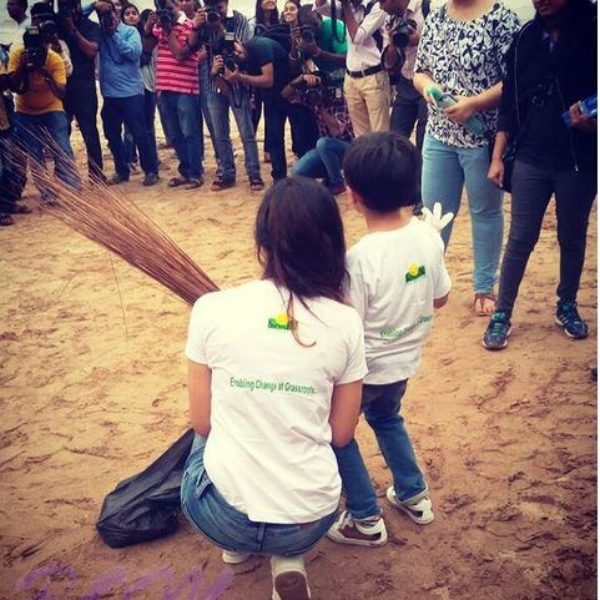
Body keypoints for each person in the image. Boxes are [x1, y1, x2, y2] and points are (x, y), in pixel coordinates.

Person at [182, 176, 367, 600]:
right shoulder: (345, 323)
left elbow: (203, 421)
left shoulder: (211, 308)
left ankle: (235, 546)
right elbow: (341, 434)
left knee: (202, 434)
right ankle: (287, 558)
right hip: (310, 518)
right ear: (332, 244)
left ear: (261, 243)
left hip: (220, 514)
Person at [325, 133, 451, 546]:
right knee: (387, 418)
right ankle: (414, 495)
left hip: (364, 371)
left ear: (353, 195)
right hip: (403, 365)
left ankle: (364, 516)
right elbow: (442, 297)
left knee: (337, 435)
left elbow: (347, 325)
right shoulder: (429, 238)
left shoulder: (358, 259)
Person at [482, 0, 597, 350]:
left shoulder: (592, 32)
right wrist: (498, 156)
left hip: (578, 160)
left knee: (572, 237)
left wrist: (592, 120)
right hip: (531, 155)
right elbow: (510, 103)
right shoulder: (526, 39)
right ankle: (502, 313)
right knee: (520, 238)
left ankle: (566, 304)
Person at [413, 0, 520, 316]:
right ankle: (429, 284)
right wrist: (430, 88)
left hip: (484, 139)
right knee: (434, 214)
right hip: (439, 136)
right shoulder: (436, 18)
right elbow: (420, 72)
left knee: (485, 212)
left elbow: (514, 81)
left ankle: (484, 286)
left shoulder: (502, 19)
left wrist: (474, 103)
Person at [189, 0, 264, 192]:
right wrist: (195, 27)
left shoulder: (238, 19)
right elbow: (189, 48)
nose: (215, 11)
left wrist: (219, 26)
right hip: (214, 82)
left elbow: (243, 53)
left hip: (237, 80)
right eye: (211, 6)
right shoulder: (203, 22)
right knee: (220, 133)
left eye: (219, 5)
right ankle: (227, 174)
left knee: (246, 131)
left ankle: (254, 173)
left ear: (226, 2)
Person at [8, 19, 79, 201]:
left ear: (46, 45)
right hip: (25, 111)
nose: (34, 52)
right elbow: (14, 86)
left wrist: (47, 76)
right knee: (35, 154)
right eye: (30, 47)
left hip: (52, 107)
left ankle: (71, 188)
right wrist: (23, 67)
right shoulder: (18, 54)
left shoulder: (54, 58)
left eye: (38, 48)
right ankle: (48, 194)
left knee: (62, 148)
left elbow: (61, 92)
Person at [94, 0, 159, 186]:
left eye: (111, 14)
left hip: (131, 93)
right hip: (109, 94)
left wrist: (113, 34)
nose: (108, 19)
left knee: (140, 133)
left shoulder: (130, 32)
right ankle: (122, 170)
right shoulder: (99, 33)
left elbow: (133, 53)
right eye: (105, 16)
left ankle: (151, 171)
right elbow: (78, 16)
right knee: (111, 133)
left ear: (117, 14)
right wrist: (94, 5)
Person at [314, 0, 390, 136]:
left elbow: (357, 36)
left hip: (373, 76)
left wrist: (345, 6)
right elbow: (319, 7)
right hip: (351, 78)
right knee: (360, 135)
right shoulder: (348, 7)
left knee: (380, 134)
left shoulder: (377, 7)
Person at [151, 0, 204, 189]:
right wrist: (150, 23)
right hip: (165, 86)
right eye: (164, 10)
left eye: (170, 8)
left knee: (190, 132)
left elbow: (179, 54)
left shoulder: (189, 26)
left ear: (178, 6)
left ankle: (196, 173)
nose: (167, 13)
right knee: (174, 134)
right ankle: (185, 170)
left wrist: (167, 30)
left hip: (185, 87)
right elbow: (147, 44)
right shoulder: (160, 26)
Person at [288, 70, 354, 195]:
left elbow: (336, 131)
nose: (316, 93)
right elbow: (286, 95)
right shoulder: (311, 99)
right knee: (297, 171)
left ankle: (337, 183)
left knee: (323, 143)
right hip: (325, 152)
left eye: (320, 89)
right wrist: (300, 79)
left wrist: (321, 107)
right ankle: (328, 177)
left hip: (348, 149)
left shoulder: (339, 100)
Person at [381, 0, 427, 152]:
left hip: (428, 84)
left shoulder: (427, 9)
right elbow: (389, 63)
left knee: (424, 142)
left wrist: (420, 41)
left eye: (382, 1)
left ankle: (421, 175)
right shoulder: (391, 20)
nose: (381, 7)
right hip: (406, 82)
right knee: (394, 141)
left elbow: (445, 48)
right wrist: (392, 45)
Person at [249, 0, 279, 164]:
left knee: (271, 114)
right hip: (256, 73)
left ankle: (268, 150)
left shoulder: (279, 22)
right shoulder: (252, 24)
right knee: (254, 113)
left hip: (274, 74)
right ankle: (251, 150)